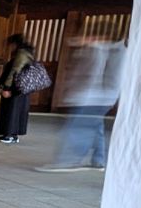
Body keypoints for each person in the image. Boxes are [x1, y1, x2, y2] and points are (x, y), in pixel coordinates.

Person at [35, 36, 126, 172]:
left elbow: (90, 74)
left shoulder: (102, 51)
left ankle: (67, 161)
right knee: (95, 128)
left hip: (91, 98)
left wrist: (73, 90)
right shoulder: (115, 50)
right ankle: (99, 160)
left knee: (77, 130)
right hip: (103, 98)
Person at [0, 34, 37, 143]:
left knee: (11, 111)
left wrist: (7, 88)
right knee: (18, 111)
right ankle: (14, 135)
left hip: (14, 87)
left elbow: (14, 71)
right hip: (22, 88)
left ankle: (8, 135)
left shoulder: (21, 54)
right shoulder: (28, 53)